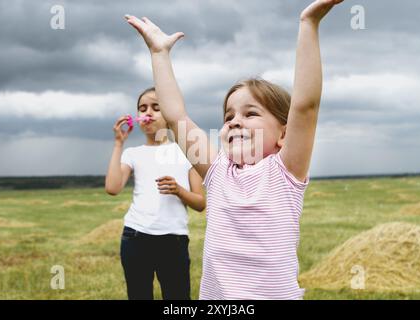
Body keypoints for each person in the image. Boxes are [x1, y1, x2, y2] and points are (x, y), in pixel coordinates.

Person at [125, 0, 344, 299]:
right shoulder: (217, 172)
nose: (235, 122)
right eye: (229, 117)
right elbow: (175, 116)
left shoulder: (285, 172)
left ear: (283, 133)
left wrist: (309, 23)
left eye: (250, 114)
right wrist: (159, 53)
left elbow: (305, 107)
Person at [105, 87, 206, 300]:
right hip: (135, 238)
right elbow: (113, 188)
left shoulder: (186, 152)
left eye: (156, 107)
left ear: (169, 114)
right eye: (142, 108)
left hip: (173, 241)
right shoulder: (132, 153)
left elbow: (200, 203)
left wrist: (178, 190)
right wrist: (118, 143)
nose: (148, 113)